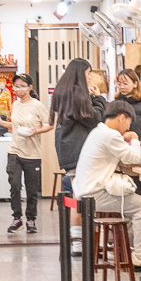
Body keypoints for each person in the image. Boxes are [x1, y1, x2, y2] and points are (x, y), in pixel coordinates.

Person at [71, 98, 141, 265]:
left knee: (135, 204)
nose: (128, 128)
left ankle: (123, 249)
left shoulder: (98, 131)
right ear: (122, 117)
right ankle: (139, 258)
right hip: (94, 195)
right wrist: (134, 138)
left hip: (84, 192)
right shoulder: (110, 135)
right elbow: (134, 157)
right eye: (128, 123)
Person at [51, 56, 106, 185]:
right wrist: (98, 98)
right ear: (81, 73)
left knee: (76, 186)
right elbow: (95, 119)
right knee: (82, 188)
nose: (90, 76)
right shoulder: (77, 94)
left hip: (66, 147)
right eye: (89, 73)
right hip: (77, 149)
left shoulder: (64, 91)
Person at [6, 73, 47, 234]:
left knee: (31, 189)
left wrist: (36, 131)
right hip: (14, 151)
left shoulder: (38, 106)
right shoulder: (15, 105)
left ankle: (31, 219)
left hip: (33, 154)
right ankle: (17, 218)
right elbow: (16, 126)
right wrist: (2, 123)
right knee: (14, 185)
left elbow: (49, 124)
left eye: (22, 86)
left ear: (30, 87)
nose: (18, 89)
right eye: (16, 86)